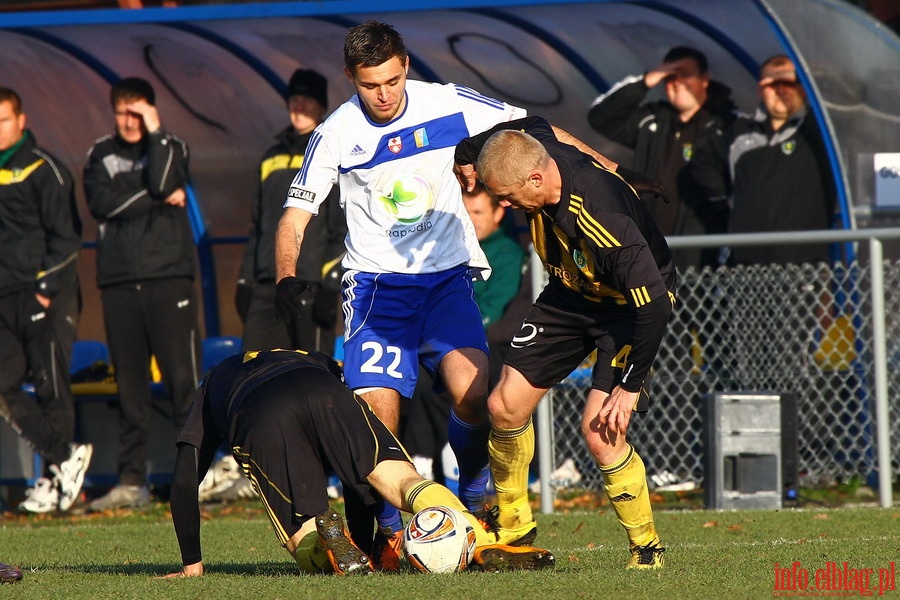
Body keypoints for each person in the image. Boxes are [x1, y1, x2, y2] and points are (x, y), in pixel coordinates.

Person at [454, 115, 676, 569]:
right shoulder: (532, 148)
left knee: (601, 431)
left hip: (628, 307)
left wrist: (630, 387)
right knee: (504, 404)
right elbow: (534, 122)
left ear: (536, 178)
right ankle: (514, 529)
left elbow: (653, 304)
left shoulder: (601, 217)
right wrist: (467, 154)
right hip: (570, 293)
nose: (507, 205)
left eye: (509, 196)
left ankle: (647, 549)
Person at [162, 349, 554, 577]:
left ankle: (327, 540)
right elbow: (358, 478)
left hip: (258, 410)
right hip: (322, 385)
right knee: (400, 479)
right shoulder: (308, 355)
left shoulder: (213, 382)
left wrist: (192, 564)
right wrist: (369, 541)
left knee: (304, 534)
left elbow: (183, 482)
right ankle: (480, 539)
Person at [83, 77, 201, 511]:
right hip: (118, 284)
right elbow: (102, 204)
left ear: (152, 112)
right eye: (123, 112)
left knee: (182, 384)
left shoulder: (172, 146)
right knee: (129, 387)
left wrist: (157, 134)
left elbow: (165, 176)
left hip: (169, 280)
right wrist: (157, 197)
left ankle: (190, 479)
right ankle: (131, 481)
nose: (129, 121)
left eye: (138, 112)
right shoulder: (100, 153)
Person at [0, 86, 93, 513]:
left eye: (3, 120)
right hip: (5, 297)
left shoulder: (46, 168)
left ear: (21, 121)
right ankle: (64, 458)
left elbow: (68, 237)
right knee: (4, 385)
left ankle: (58, 483)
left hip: (46, 297)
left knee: (53, 388)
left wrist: (44, 289)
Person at [401, 183, 525, 483]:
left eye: (479, 211)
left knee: (442, 383)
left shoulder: (508, 253)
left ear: (498, 214)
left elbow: (492, 311)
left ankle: (442, 464)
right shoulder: (449, 251)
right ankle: (418, 461)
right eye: (466, 212)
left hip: (490, 347)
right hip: (444, 341)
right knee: (411, 379)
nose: (472, 219)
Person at [587, 46, 736, 270]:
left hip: (702, 249)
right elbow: (601, 117)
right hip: (650, 245)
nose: (677, 82)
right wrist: (648, 79)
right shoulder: (653, 120)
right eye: (670, 76)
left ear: (705, 80)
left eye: (685, 74)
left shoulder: (726, 125)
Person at [236, 68, 346, 355]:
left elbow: (341, 228)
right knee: (254, 370)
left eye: (306, 100)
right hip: (268, 285)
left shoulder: (331, 152)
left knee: (314, 375)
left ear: (321, 106)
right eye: (294, 99)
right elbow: (258, 226)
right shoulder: (270, 157)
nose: (298, 106)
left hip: (310, 283)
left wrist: (330, 285)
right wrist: (245, 279)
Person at [691, 54, 836, 266]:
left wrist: (813, 74)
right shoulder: (741, 131)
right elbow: (702, 163)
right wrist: (725, 202)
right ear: (761, 88)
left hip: (805, 264)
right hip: (746, 264)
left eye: (788, 83)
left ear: (804, 86)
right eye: (772, 84)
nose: (781, 90)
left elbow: (847, 99)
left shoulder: (819, 130)